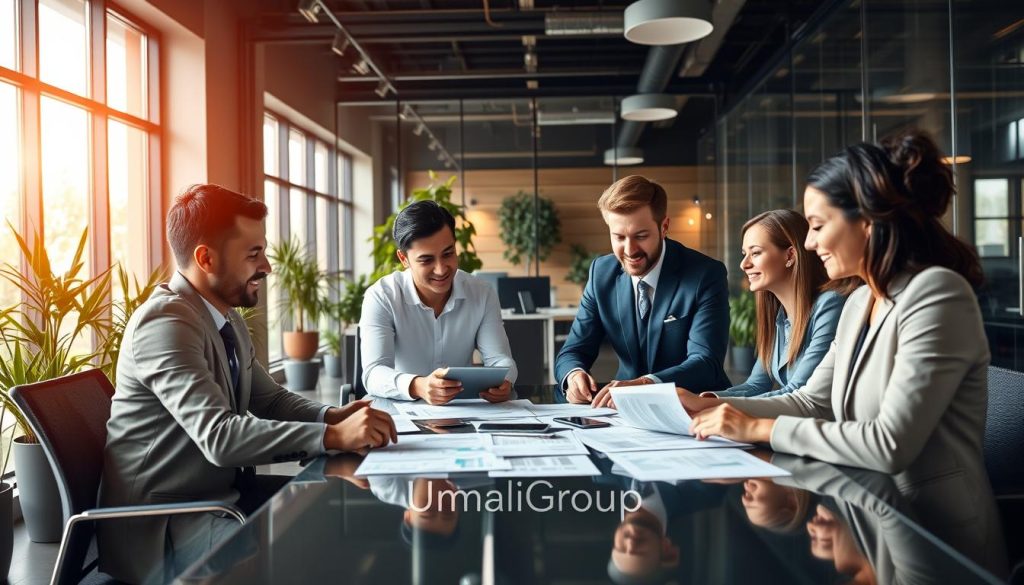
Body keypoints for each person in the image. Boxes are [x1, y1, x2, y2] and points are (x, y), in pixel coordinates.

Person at [679, 131, 1005, 571]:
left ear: (868, 222)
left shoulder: (936, 294)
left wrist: (757, 429)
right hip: (873, 518)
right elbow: (809, 400)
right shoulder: (857, 303)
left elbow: (890, 444)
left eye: (817, 225)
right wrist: (703, 405)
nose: (810, 243)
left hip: (935, 538)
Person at [99, 184, 397, 585]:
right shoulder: (165, 323)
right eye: (253, 254)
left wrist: (332, 415)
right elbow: (220, 437)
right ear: (206, 257)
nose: (268, 267)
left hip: (221, 499)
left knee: (344, 524)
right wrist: (331, 436)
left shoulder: (225, 316)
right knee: (315, 560)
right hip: (167, 525)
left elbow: (268, 398)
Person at [555, 175, 731, 405]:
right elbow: (572, 351)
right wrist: (574, 375)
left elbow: (706, 363)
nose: (630, 250)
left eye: (641, 236)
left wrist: (646, 384)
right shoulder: (600, 273)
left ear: (664, 226)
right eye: (619, 237)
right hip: (621, 411)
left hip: (693, 407)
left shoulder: (706, 274)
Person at [361, 200, 517, 403]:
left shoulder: (482, 292)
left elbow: (500, 359)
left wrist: (505, 381)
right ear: (403, 259)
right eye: (426, 260)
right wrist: (418, 386)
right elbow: (373, 373)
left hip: (466, 411)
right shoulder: (382, 296)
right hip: (400, 413)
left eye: (448, 253)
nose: (441, 269)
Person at [712, 209, 846, 398]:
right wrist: (704, 399)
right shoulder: (779, 316)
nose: (744, 264)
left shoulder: (829, 305)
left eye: (755, 253)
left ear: (790, 255)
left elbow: (797, 394)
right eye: (744, 254)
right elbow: (756, 385)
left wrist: (709, 408)